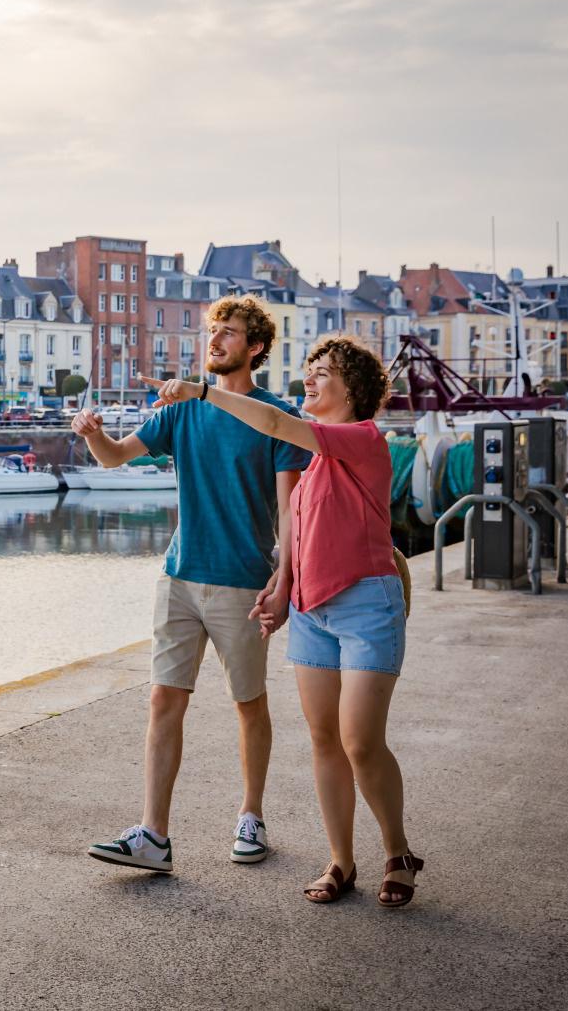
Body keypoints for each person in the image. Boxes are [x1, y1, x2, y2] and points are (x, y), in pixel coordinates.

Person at [140, 335, 423, 907]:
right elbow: (299, 534)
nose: (310, 379)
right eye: (310, 370)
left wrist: (201, 392)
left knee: (360, 741)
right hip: (312, 611)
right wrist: (281, 590)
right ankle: (341, 861)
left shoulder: (362, 441)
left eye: (324, 372)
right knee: (324, 740)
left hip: (366, 606)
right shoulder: (314, 462)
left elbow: (273, 423)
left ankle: (396, 851)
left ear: (355, 390)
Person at [78, 296, 311, 874]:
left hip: (242, 582)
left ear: (255, 346)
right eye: (213, 331)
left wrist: (284, 579)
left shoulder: (272, 417)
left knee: (248, 704)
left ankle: (251, 816)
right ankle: (153, 835)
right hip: (179, 575)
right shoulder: (181, 409)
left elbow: (289, 513)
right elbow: (115, 458)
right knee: (163, 698)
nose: (215, 341)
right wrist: (91, 434)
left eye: (228, 333)